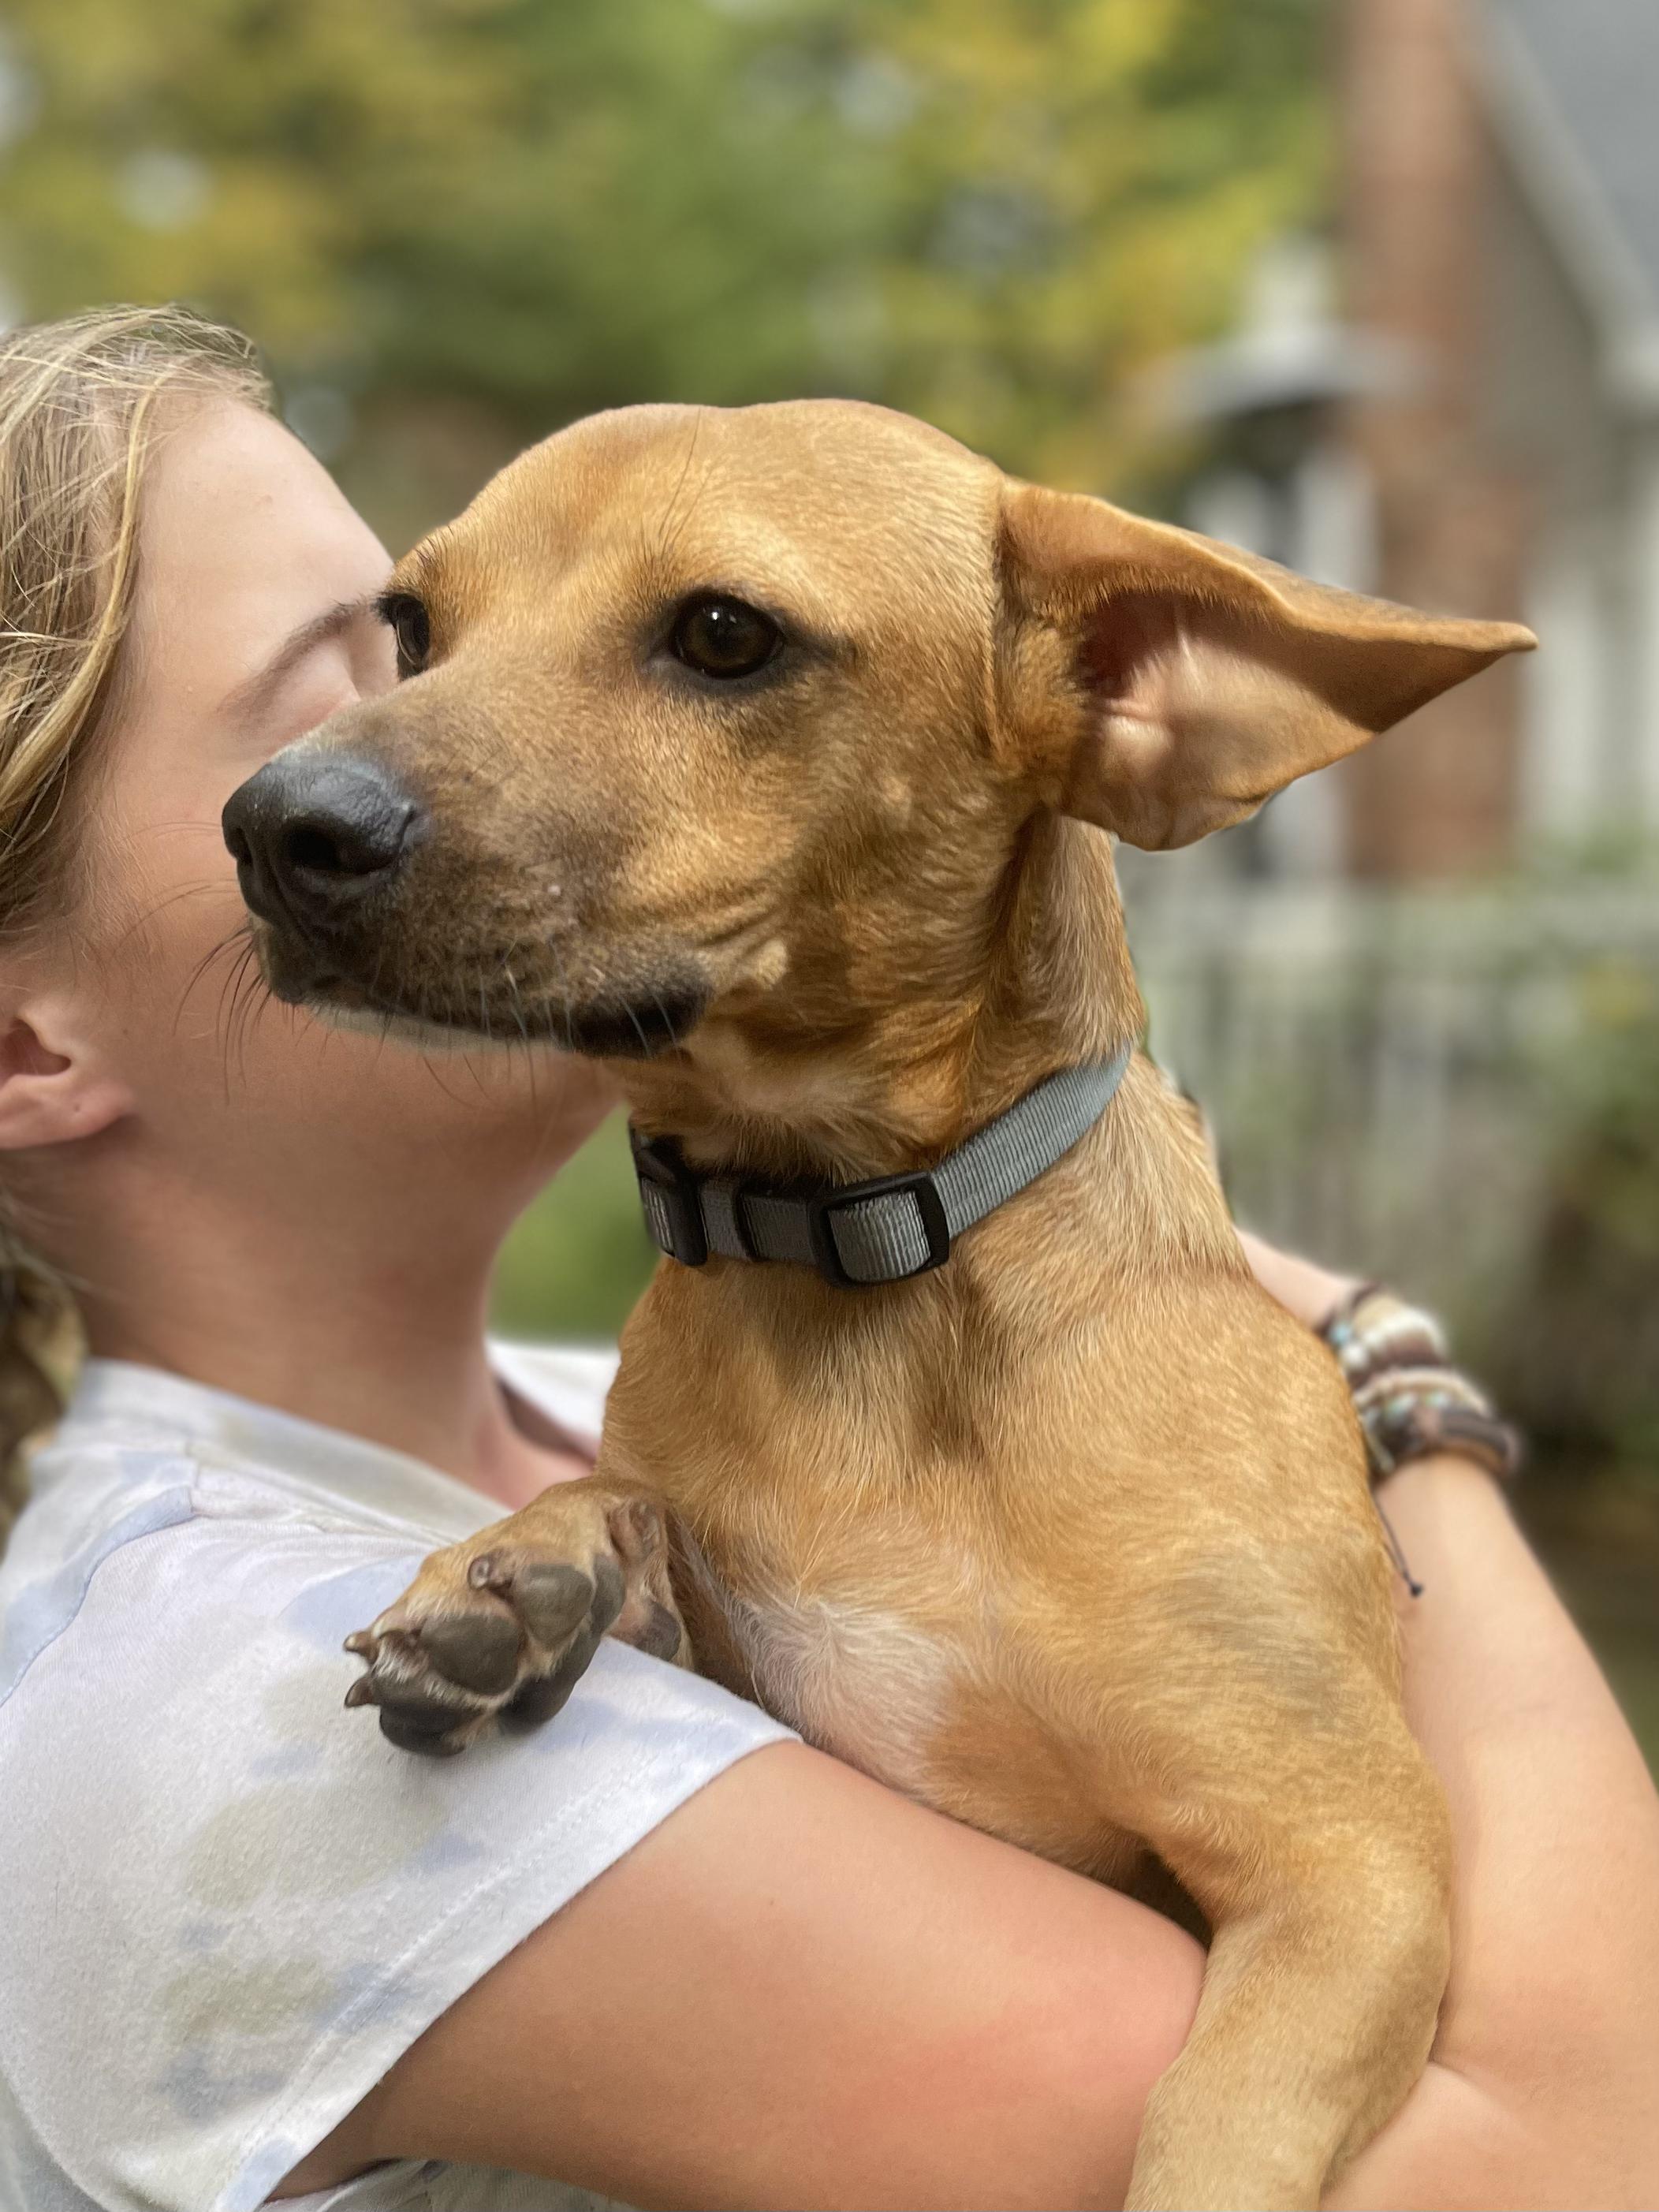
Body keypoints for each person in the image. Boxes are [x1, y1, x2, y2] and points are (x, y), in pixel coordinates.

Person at [0, 305, 1653, 2212]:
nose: (363, 773)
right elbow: (1561, 2162)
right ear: (25, 1045)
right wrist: (1389, 1380)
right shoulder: (211, 1706)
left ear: (1120, 689)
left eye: (710, 641)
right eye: (341, 697)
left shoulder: (588, 1417)